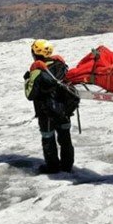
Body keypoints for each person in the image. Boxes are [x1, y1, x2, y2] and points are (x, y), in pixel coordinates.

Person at [24, 39, 78, 174]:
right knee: (65, 138)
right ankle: (67, 167)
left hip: (46, 112)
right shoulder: (62, 65)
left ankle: (53, 168)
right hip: (64, 110)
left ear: (35, 53)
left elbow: (30, 94)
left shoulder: (37, 71)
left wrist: (27, 80)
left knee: (48, 139)